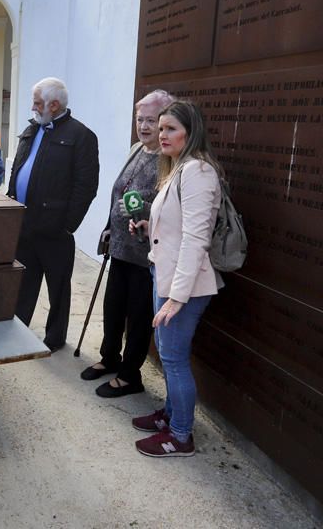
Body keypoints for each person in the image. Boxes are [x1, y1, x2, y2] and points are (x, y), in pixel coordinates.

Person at [129, 100, 223, 457]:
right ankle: (170, 415)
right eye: (160, 127)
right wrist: (147, 226)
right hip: (166, 276)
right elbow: (175, 227)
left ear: (191, 131)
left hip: (185, 287)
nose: (160, 134)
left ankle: (181, 435)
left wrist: (176, 297)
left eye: (170, 129)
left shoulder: (198, 171)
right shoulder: (179, 169)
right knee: (169, 354)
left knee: (174, 359)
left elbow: (196, 239)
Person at [81, 90, 175, 397]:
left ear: (165, 121)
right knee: (112, 309)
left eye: (151, 120)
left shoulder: (169, 159)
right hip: (120, 247)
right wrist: (110, 227)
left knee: (137, 317)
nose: (144, 127)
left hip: (146, 255)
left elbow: (168, 207)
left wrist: (143, 210)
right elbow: (120, 192)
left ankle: (129, 375)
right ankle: (110, 358)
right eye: (140, 119)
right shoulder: (137, 149)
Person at [7, 77, 99, 352]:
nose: (33, 107)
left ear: (54, 104)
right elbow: (19, 168)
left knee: (58, 285)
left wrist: (68, 224)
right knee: (24, 280)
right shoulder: (32, 129)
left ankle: (55, 338)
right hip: (25, 223)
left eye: (37, 102)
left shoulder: (81, 136)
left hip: (55, 228)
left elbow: (86, 186)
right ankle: (18, 330)